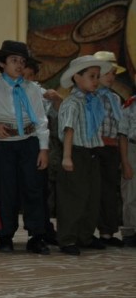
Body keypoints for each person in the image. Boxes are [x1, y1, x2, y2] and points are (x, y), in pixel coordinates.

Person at [0, 41, 50, 255]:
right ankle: (5, 235)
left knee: (34, 188)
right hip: (3, 145)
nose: (19, 65)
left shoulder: (32, 88)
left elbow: (41, 119)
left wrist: (43, 149)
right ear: (2, 63)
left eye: (22, 61)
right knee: (6, 190)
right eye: (14, 60)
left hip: (29, 142)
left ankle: (37, 236)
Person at [56, 55, 114, 255]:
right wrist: (67, 156)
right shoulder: (72, 103)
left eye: (97, 76)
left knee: (91, 197)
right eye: (91, 76)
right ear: (76, 77)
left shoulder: (93, 101)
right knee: (73, 198)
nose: (96, 80)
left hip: (92, 153)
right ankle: (67, 238)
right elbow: (68, 130)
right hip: (76, 153)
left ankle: (85, 236)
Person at [22, 60, 62, 246]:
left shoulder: (41, 93)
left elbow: (53, 117)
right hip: (18, 145)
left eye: (31, 76)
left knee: (40, 190)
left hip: (40, 147)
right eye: (24, 75)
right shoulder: (7, 91)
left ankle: (43, 229)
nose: (28, 79)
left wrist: (56, 100)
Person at [92, 51, 126, 247]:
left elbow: (120, 128)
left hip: (111, 149)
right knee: (93, 190)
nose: (111, 77)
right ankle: (88, 231)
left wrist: (122, 156)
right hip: (94, 147)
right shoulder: (89, 96)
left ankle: (107, 232)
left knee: (109, 191)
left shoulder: (115, 98)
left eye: (113, 73)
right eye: (107, 72)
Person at [119, 79, 136, 248]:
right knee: (130, 191)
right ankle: (130, 231)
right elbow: (122, 135)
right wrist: (125, 162)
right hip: (132, 148)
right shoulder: (130, 105)